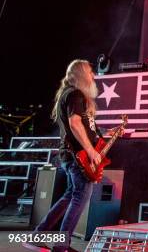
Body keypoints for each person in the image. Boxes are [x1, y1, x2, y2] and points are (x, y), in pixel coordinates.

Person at [24, 60, 108, 252]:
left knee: (70, 196)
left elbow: (83, 125)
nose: (93, 75)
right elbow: (75, 124)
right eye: (90, 71)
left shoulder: (70, 94)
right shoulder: (75, 94)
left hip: (71, 156)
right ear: (80, 74)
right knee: (79, 198)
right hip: (78, 158)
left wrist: (99, 134)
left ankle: (37, 236)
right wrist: (91, 151)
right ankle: (62, 246)